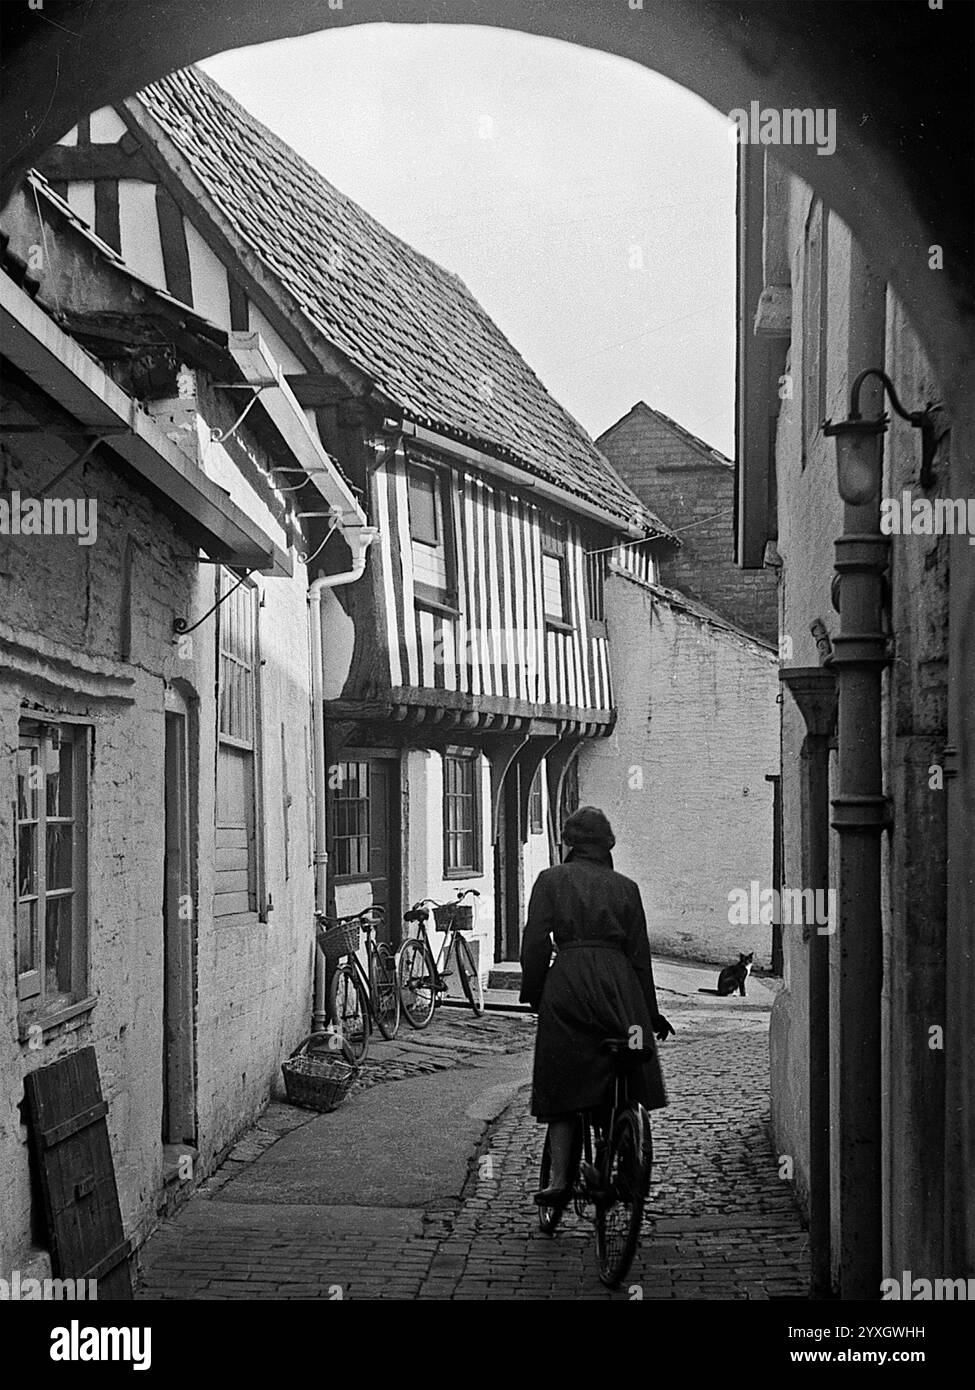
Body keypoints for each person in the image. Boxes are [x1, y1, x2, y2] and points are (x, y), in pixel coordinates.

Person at [519, 805, 674, 1202]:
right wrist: (650, 1015)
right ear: (608, 846)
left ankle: (559, 1180)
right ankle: (619, 1145)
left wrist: (536, 992)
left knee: (561, 1077)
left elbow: (535, 943)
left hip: (568, 986)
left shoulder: (550, 880)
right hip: (623, 991)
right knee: (631, 1053)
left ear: (568, 843)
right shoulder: (627, 888)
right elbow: (640, 956)